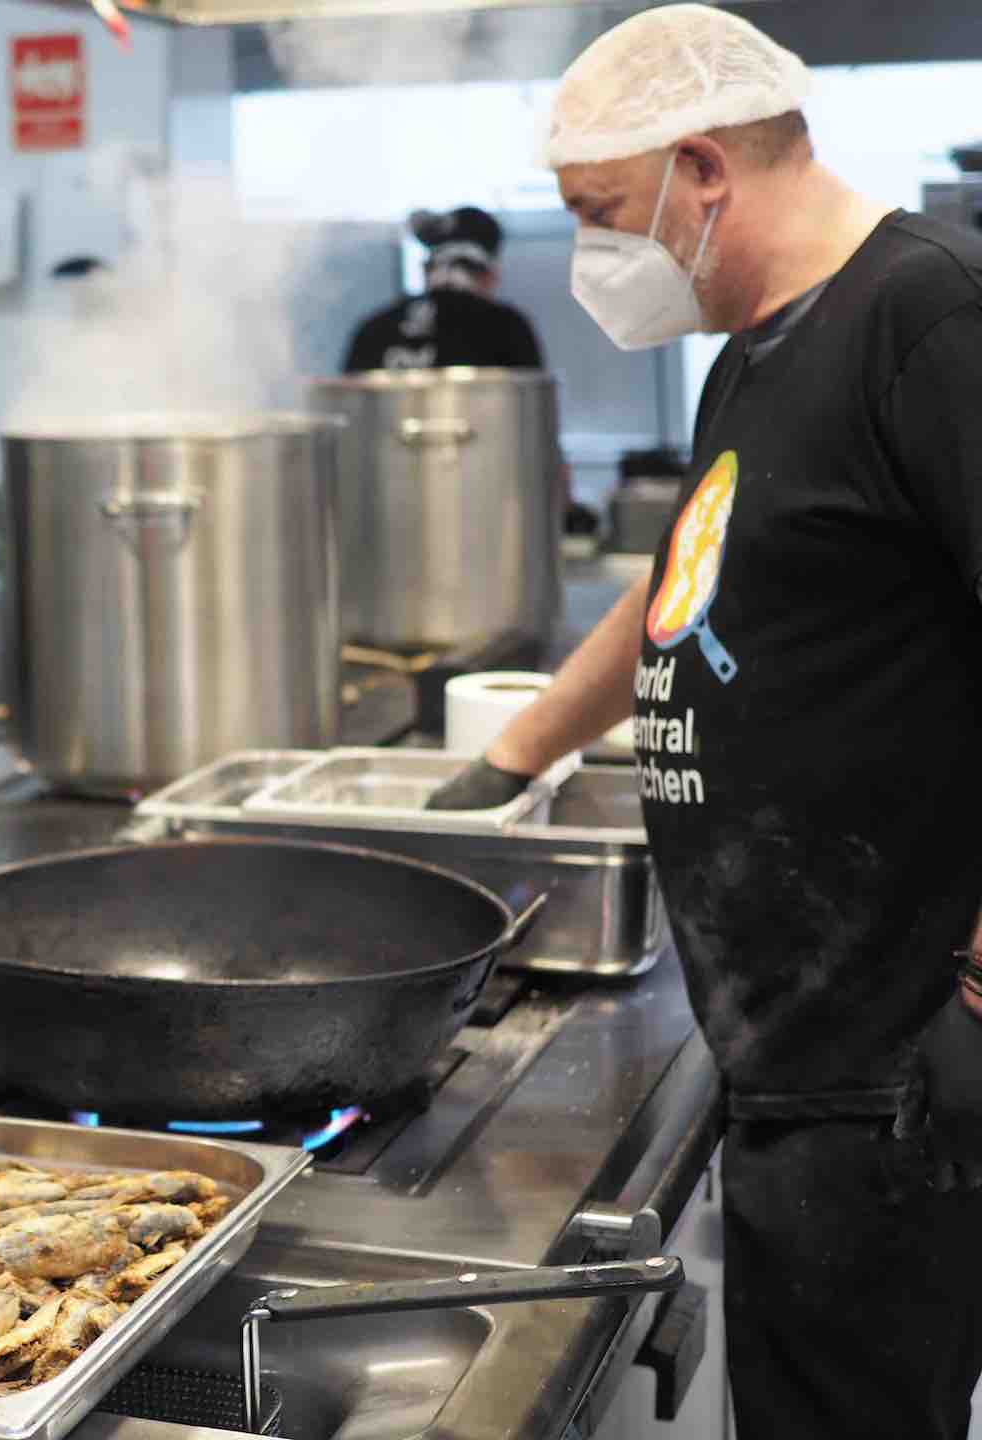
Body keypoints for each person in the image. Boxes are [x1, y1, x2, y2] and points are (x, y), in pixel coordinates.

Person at [426, 7, 982, 1436]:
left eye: (599, 213)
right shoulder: (760, 345)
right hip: (799, 1050)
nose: (592, 254)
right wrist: (515, 755)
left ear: (704, 171)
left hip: (897, 1061)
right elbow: (687, 580)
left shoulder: (928, 318)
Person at [342, 206, 545, 372]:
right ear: (489, 275)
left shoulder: (374, 330)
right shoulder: (508, 330)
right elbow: (532, 405)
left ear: (426, 270)